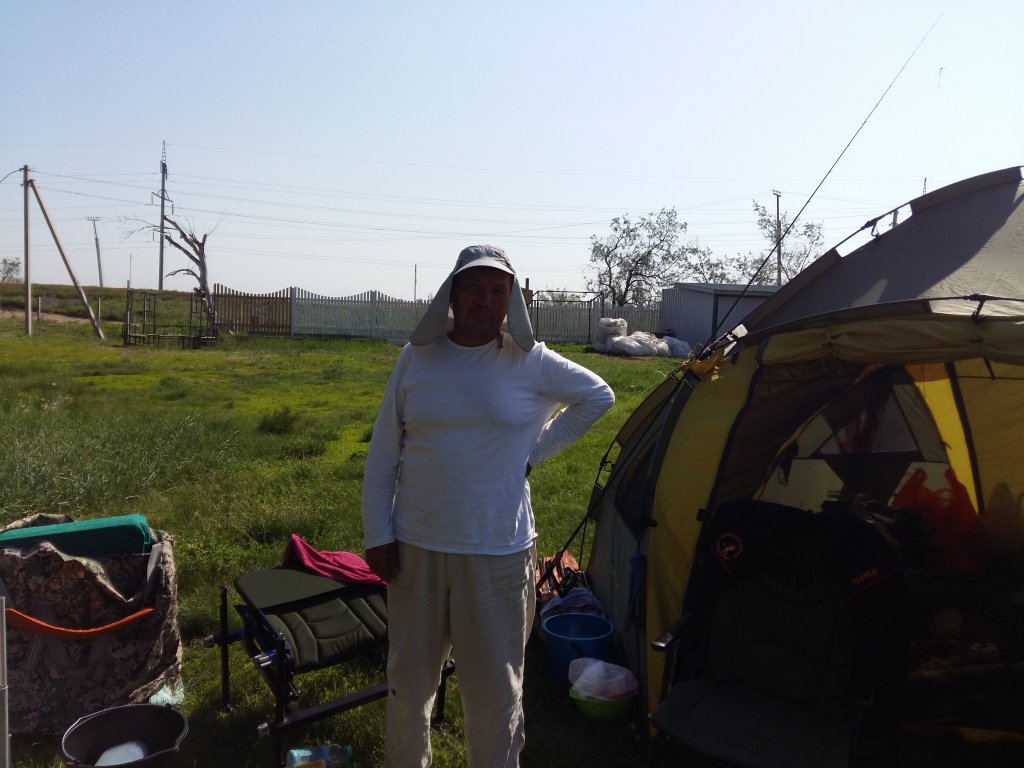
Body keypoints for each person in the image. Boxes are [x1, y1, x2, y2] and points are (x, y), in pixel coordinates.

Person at [361, 245, 614, 767]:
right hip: (416, 547)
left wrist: (533, 453)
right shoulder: (416, 358)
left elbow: (598, 395)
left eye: (497, 290)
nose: (484, 300)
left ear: (511, 300)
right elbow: (384, 453)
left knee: (495, 696)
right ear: (452, 295)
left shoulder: (529, 361)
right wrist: (377, 534)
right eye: (473, 287)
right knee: (408, 686)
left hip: (497, 552)